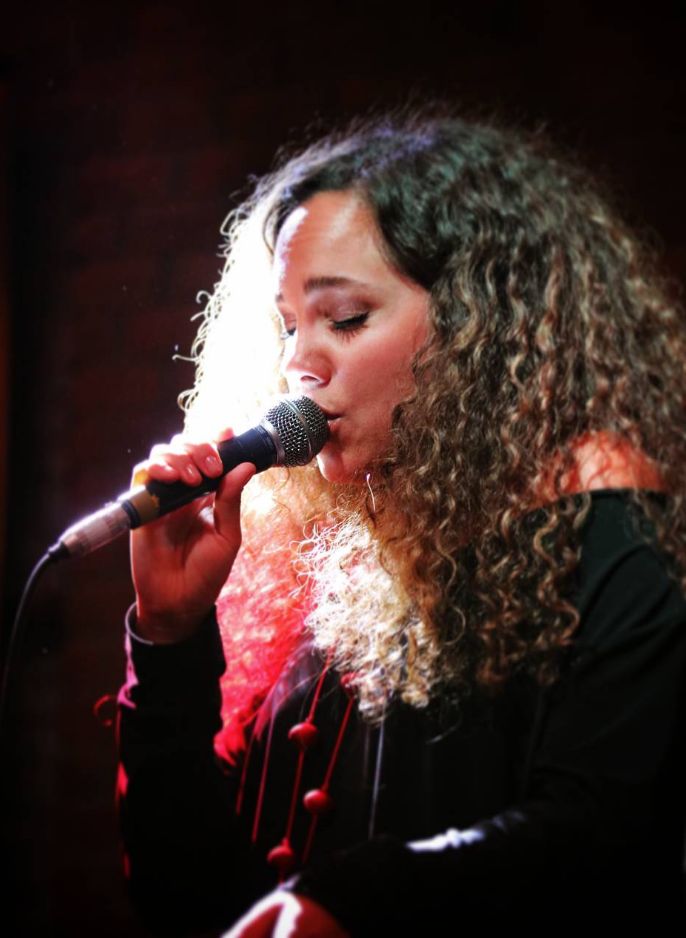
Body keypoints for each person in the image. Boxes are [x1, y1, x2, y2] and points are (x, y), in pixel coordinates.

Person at [116, 109, 686, 937]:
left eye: (345, 318)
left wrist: (353, 900)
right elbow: (191, 904)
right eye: (289, 326)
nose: (297, 362)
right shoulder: (325, 573)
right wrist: (168, 641)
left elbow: (602, 842)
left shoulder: (611, 539)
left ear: (484, 324)